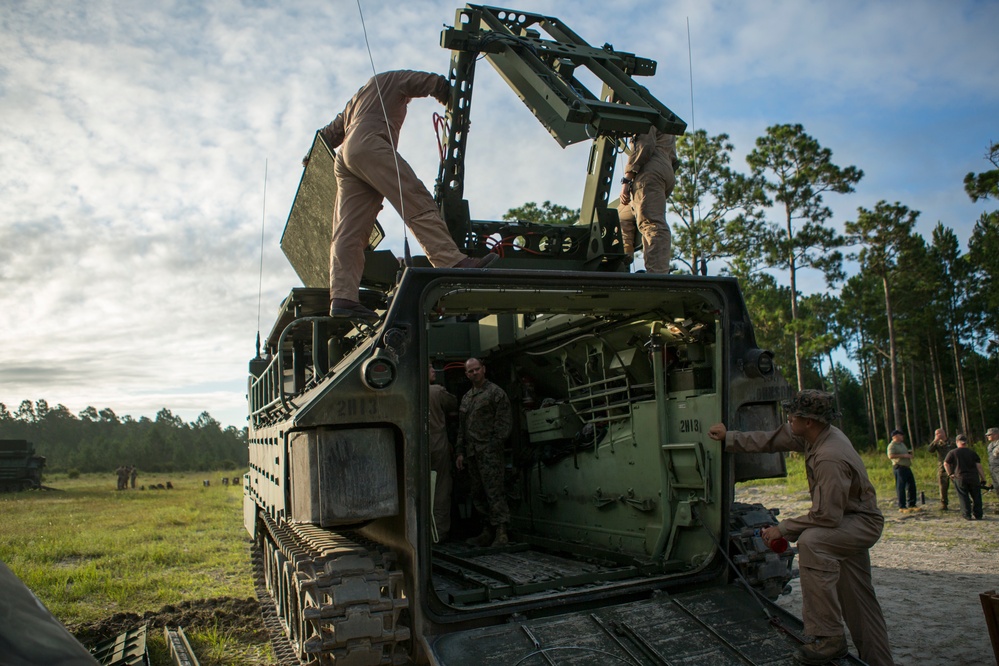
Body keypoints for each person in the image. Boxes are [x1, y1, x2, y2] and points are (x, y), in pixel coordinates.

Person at [708, 390, 893, 666]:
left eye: (792, 415)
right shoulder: (815, 434)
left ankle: (828, 637)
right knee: (858, 599)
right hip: (846, 518)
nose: (788, 418)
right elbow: (770, 439)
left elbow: (827, 516)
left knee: (813, 542)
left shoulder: (829, 456)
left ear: (808, 421)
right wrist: (729, 437)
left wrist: (782, 529)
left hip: (858, 522)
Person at [307, 70, 498, 322]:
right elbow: (430, 82)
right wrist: (450, 99)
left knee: (349, 230)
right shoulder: (390, 78)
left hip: (344, 158)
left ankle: (343, 297)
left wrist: (310, 156)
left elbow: (328, 134)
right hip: (369, 144)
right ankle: (452, 262)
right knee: (414, 197)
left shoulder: (355, 100)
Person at [455, 358, 512, 547]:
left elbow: (503, 424)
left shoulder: (496, 393)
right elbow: (461, 429)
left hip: (489, 452)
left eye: (477, 369)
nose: (474, 373)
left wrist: (493, 446)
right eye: (470, 371)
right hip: (472, 454)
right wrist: (460, 452)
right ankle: (487, 531)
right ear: (466, 374)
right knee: (478, 493)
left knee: (494, 491)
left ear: (484, 369)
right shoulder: (466, 397)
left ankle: (501, 532)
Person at [617, 126, 677, 273]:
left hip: (650, 169)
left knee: (651, 222)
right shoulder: (659, 114)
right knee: (621, 214)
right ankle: (624, 257)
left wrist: (627, 179)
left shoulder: (644, 113)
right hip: (663, 169)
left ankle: (657, 273)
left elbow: (644, 146)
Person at [428, 364, 457, 542]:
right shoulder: (437, 391)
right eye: (430, 368)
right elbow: (453, 403)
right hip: (438, 445)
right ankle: (438, 533)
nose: (434, 370)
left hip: (416, 447)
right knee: (440, 488)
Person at [943, 434, 988, 520]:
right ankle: (978, 514)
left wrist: (950, 474)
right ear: (966, 442)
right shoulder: (972, 453)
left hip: (960, 477)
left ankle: (967, 514)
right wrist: (983, 478)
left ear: (957, 442)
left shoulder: (953, 452)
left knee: (963, 496)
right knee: (976, 496)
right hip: (973, 477)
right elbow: (978, 466)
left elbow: (946, 463)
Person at [886, 428, 917, 510]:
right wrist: (904, 455)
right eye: (900, 435)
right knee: (901, 487)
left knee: (911, 486)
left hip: (907, 467)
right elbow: (890, 456)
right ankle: (902, 506)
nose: (902, 436)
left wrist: (909, 454)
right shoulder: (892, 445)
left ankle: (912, 504)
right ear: (895, 436)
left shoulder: (902, 444)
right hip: (899, 467)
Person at [926, 428, 955, 510]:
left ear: (944, 433)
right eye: (936, 434)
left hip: (953, 466)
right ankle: (944, 504)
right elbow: (930, 450)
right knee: (943, 486)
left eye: (939, 433)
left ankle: (965, 500)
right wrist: (935, 440)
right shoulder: (937, 443)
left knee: (958, 484)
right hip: (942, 467)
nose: (938, 435)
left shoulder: (952, 442)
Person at [986, 426, 999, 492]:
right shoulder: (990, 445)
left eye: (989, 435)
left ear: (996, 435)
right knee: (996, 487)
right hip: (993, 468)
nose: (987, 436)